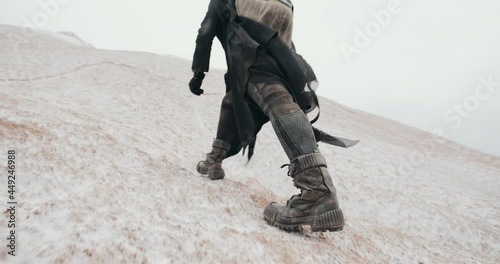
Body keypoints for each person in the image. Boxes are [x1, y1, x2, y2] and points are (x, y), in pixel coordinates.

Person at [189, 0, 344, 232]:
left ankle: (317, 192)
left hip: (252, 31)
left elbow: (205, 31)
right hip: (283, 12)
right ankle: (214, 160)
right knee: (233, 100)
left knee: (272, 94)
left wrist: (198, 72)